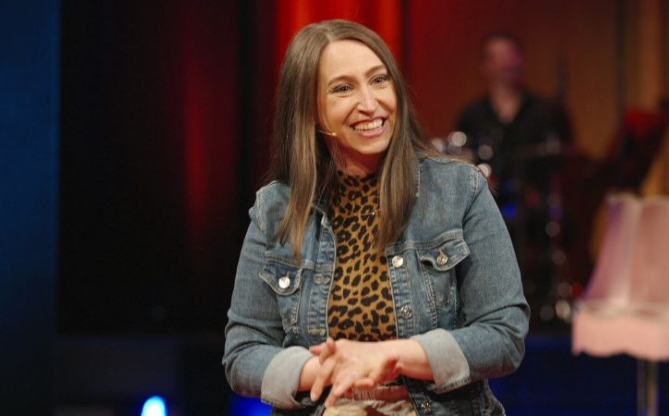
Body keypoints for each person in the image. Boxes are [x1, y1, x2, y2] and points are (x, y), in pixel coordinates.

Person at [223, 20, 529, 416]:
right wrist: (330, 370)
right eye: (343, 88)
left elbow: (504, 335)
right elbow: (243, 354)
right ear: (311, 111)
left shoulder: (459, 190)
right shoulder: (276, 209)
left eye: (379, 80)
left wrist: (388, 356)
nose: (370, 103)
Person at [455, 33, 572, 328]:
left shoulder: (545, 111)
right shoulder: (473, 114)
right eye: (497, 57)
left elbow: (567, 163)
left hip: (536, 209)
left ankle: (538, 302)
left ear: (522, 60)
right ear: (485, 66)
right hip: (487, 204)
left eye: (511, 55)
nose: (506, 63)